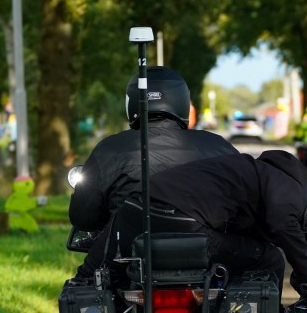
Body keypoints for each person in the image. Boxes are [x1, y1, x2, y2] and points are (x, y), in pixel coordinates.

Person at [69, 66, 238, 283]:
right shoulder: (217, 146)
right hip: (207, 249)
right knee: (268, 261)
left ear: (131, 103)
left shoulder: (109, 149)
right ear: (183, 102)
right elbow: (241, 202)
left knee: (83, 285)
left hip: (127, 253)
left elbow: (83, 217)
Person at [106, 150, 307, 307]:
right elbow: (283, 223)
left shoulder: (255, 174)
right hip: (185, 221)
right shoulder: (290, 187)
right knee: (270, 260)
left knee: (102, 275)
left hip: (137, 209)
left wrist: (86, 276)